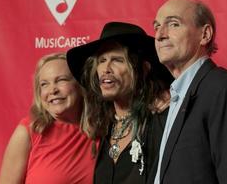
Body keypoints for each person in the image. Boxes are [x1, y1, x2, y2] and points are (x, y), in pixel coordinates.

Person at [151, 0, 227, 184]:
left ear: (205, 34)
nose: (160, 34)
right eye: (156, 26)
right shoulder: (174, 95)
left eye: (174, 24)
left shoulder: (222, 87)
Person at [66, 22, 173, 184]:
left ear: (143, 69)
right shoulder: (101, 127)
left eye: (117, 60)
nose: (106, 68)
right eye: (101, 60)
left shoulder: (164, 119)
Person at [0, 53, 98, 184]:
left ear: (80, 85)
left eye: (61, 80)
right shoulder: (29, 131)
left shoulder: (102, 129)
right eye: (44, 84)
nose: (52, 90)